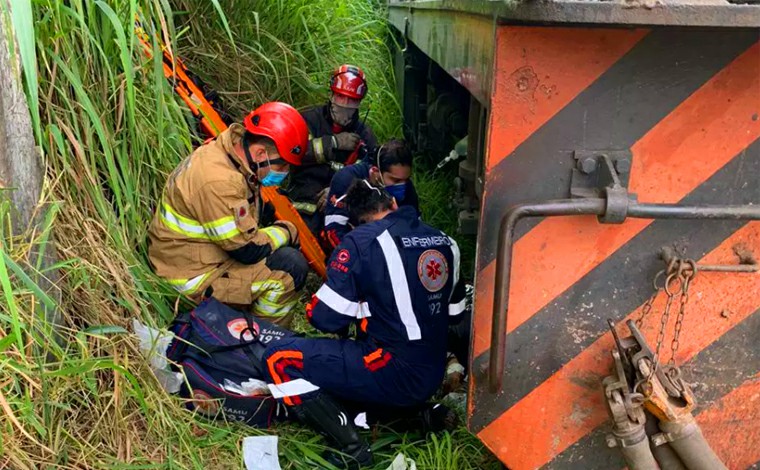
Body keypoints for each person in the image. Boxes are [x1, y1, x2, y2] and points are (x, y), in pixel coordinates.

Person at [262, 180, 466, 468]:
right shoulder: (445, 241)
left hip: (392, 368)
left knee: (279, 359)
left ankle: (351, 449)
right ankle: (414, 416)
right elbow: (455, 314)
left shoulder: (362, 241)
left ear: (357, 222)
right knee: (349, 365)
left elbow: (324, 318)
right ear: (393, 204)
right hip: (431, 371)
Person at [147, 102, 310, 328]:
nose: (284, 173)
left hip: (188, 258)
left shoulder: (229, 153)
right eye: (282, 166)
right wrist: (286, 231)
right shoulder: (220, 181)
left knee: (280, 255)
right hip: (189, 281)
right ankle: (261, 342)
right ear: (260, 152)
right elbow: (248, 250)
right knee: (289, 269)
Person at [287, 64, 378, 236]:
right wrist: (333, 143)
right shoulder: (308, 120)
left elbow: (371, 176)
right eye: (340, 96)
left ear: (359, 102)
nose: (344, 104)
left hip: (344, 204)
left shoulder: (365, 136)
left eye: (351, 100)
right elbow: (295, 153)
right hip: (303, 200)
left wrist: (340, 190)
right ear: (331, 94)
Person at [323, 139, 419, 251]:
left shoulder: (407, 188)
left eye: (406, 179)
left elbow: (415, 229)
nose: (402, 185)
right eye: (395, 180)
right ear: (375, 171)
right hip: (354, 244)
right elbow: (333, 231)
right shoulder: (346, 179)